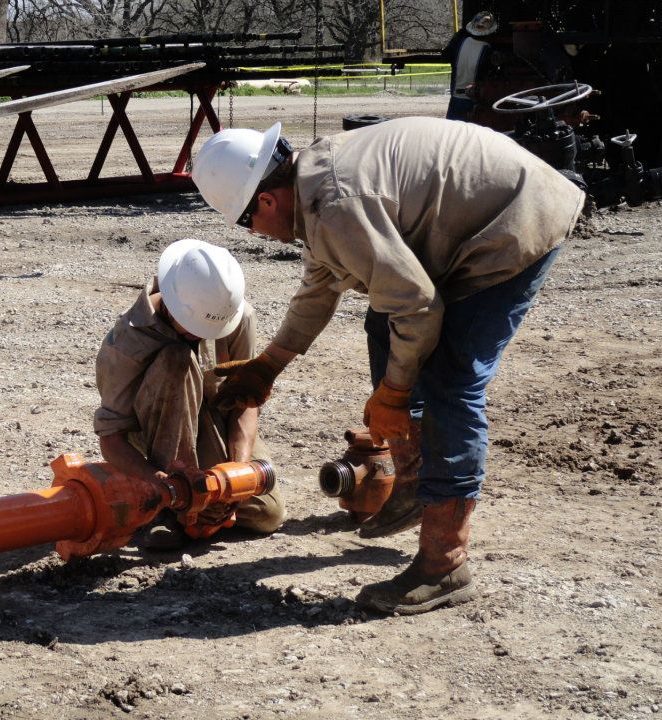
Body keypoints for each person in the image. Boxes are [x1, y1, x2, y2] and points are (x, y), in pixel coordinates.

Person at [191, 118, 584, 613]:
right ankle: (416, 477)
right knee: (382, 321)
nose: (260, 235)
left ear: (266, 201)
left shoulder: (335, 206)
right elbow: (321, 287)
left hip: (515, 219)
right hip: (485, 207)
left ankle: (446, 563)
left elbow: (419, 308)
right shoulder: (313, 185)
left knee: (450, 383)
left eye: (247, 222)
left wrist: (396, 395)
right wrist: (269, 365)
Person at [94, 239, 287, 550]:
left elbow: (244, 403)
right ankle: (169, 509)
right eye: (193, 328)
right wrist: (165, 485)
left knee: (267, 513)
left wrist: (235, 476)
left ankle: (197, 503)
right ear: (170, 303)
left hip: (211, 419)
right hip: (156, 442)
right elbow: (112, 439)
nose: (202, 336)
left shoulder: (233, 317)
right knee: (177, 359)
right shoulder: (125, 345)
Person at [442, 10, 499, 121]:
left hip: (455, 99)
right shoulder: (488, 51)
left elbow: (445, 56)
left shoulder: (459, 44)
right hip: (474, 102)